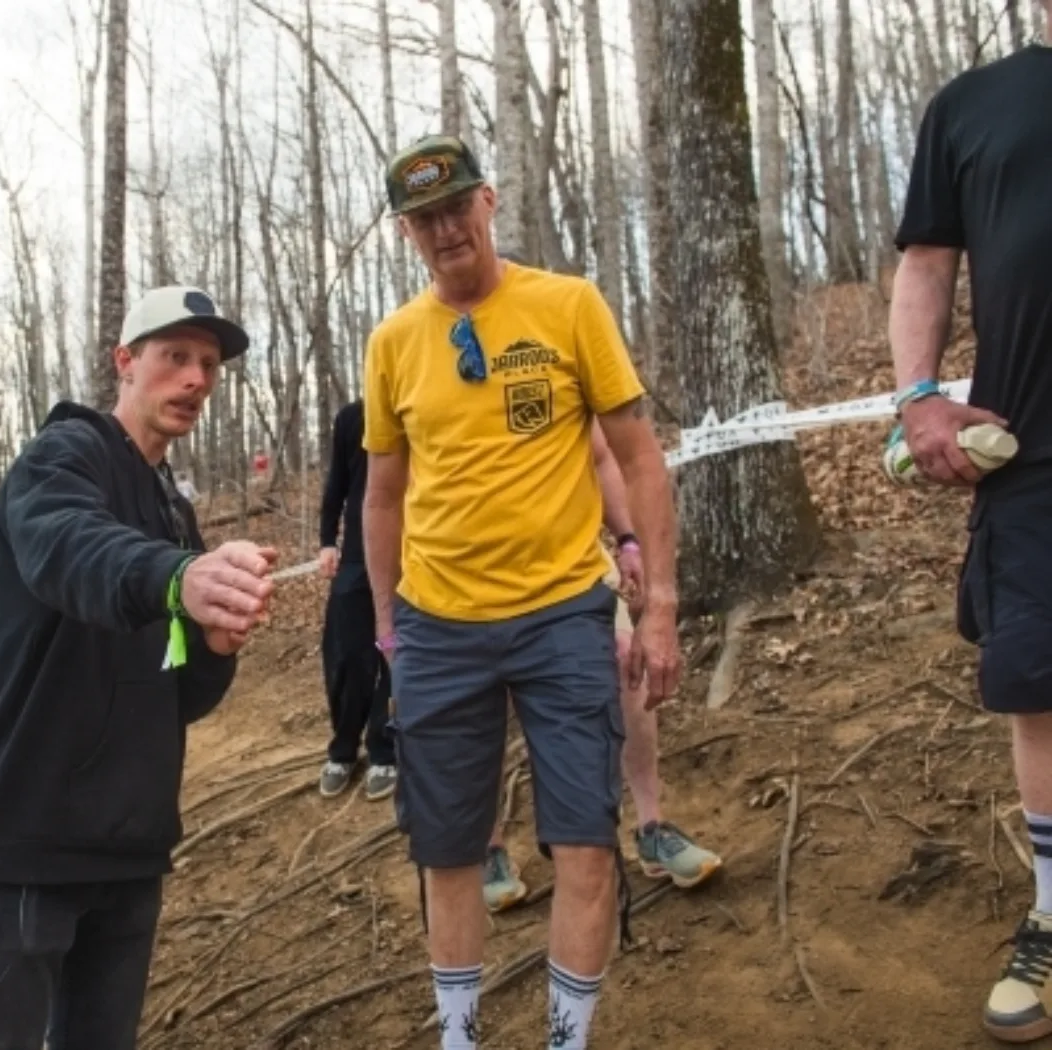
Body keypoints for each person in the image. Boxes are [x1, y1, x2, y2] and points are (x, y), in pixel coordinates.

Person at [364, 134, 683, 1050]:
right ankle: (460, 1038)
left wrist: (656, 604)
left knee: (585, 840)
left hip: (563, 615)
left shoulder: (569, 305)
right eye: (425, 219)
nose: (446, 229)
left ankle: (563, 1039)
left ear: (490, 203)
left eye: (458, 207)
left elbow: (638, 455)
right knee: (449, 850)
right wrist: (388, 630)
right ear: (406, 234)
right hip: (438, 626)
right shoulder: (392, 342)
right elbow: (383, 494)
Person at [0, 285, 277, 1050]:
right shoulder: (62, 458)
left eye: (209, 365)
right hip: (23, 839)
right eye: (175, 357)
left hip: (128, 850)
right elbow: (70, 548)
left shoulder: (173, 512)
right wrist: (177, 578)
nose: (196, 379)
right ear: (125, 362)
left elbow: (174, 687)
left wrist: (215, 644)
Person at [889, 22, 1052, 1044]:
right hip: (1033, 451)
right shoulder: (972, 104)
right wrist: (919, 397)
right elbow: (926, 264)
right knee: (1040, 688)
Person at [483, 424, 722, 912]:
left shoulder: (555, 355)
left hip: (574, 568)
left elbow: (602, 456)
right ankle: (489, 850)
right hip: (474, 582)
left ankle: (652, 828)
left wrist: (629, 538)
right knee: (483, 706)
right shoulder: (431, 363)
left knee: (625, 671)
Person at [317, 398, 396, 801]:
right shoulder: (352, 417)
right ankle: (344, 747)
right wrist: (327, 541)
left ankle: (385, 748)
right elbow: (338, 483)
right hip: (355, 555)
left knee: (395, 653)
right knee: (347, 654)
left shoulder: (423, 407)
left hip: (411, 553)